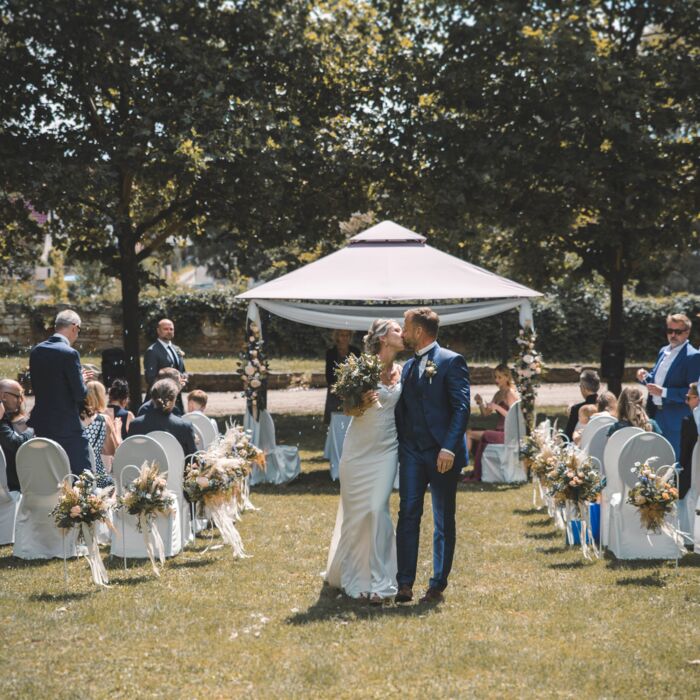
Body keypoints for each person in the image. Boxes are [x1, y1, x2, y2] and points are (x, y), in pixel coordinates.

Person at [324, 319, 404, 604]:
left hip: (386, 450)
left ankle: (383, 583)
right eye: (397, 330)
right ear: (383, 338)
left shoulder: (404, 371)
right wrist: (362, 404)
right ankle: (356, 578)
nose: (403, 333)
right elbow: (348, 409)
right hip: (358, 452)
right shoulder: (361, 368)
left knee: (377, 509)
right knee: (357, 515)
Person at [394, 307, 470, 604]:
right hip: (412, 452)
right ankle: (404, 583)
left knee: (442, 519)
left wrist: (449, 447)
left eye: (406, 327)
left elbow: (461, 408)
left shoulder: (451, 362)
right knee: (408, 514)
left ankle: (437, 585)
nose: (402, 331)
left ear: (419, 332)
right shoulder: (409, 367)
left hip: (442, 454)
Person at [27, 309, 93, 475]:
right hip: (67, 427)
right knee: (83, 477)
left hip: (42, 424)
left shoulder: (36, 351)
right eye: (79, 330)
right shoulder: (70, 353)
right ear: (74, 327)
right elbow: (79, 394)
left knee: (49, 476)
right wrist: (82, 380)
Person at [637, 313, 700, 458]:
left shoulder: (693, 356)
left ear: (687, 332)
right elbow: (656, 380)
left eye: (678, 332)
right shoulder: (663, 351)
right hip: (656, 415)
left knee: (674, 461)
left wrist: (664, 392)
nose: (673, 335)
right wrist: (644, 376)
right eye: (669, 331)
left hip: (676, 418)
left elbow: (694, 393)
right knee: (655, 459)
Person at [464, 364, 519, 482]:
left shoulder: (510, 393)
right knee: (470, 431)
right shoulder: (498, 394)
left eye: (499, 377)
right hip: (499, 431)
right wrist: (480, 403)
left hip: (507, 433)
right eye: (495, 377)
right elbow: (485, 413)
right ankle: (469, 467)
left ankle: (463, 465)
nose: (496, 380)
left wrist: (497, 408)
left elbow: (514, 416)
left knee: (469, 433)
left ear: (507, 377)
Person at [128, 379, 197, 457]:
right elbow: (194, 459)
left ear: (152, 398)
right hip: (176, 469)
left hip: (143, 468)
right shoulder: (185, 426)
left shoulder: (135, 425)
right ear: (174, 399)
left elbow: (129, 454)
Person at [81, 381, 120, 487]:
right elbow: (114, 451)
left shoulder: (74, 418)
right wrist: (117, 430)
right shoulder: (103, 420)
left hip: (76, 474)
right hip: (96, 476)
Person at [143, 318, 187, 412]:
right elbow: (150, 378)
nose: (169, 331)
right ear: (158, 331)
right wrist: (171, 386)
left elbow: (182, 371)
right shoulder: (152, 351)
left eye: (171, 329)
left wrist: (183, 381)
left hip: (177, 399)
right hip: (159, 400)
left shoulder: (176, 349)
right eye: (166, 329)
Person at [0, 379, 34, 492]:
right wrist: (32, 428)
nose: (21, 400)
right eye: (17, 396)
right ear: (3, 396)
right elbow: (15, 444)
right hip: (9, 489)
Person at [323, 329, 361, 424]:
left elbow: (359, 371)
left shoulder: (356, 351)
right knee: (334, 417)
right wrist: (337, 387)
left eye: (347, 335)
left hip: (352, 389)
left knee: (351, 418)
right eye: (342, 335)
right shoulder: (331, 352)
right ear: (337, 337)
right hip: (334, 388)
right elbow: (329, 373)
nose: (344, 337)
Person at [564, 369, 600, 441]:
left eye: (580, 385)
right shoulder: (605, 406)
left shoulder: (576, 409)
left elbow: (567, 438)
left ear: (584, 388)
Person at [678, 383, 698, 501]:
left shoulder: (689, 422)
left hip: (693, 478)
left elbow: (684, 458)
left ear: (697, 398)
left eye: (688, 398)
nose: (686, 402)